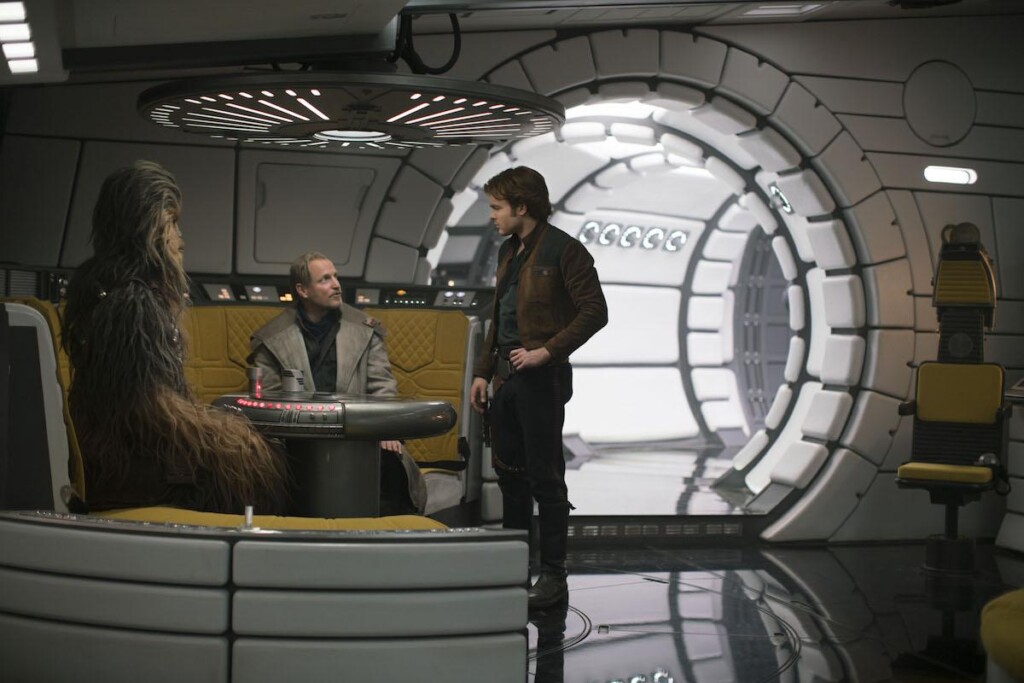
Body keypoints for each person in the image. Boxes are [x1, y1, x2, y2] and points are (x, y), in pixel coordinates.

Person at [62, 160, 289, 514]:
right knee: (258, 463)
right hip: (134, 462)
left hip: (121, 451)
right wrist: (230, 437)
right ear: (148, 226)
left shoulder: (108, 289)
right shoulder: (132, 303)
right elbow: (145, 406)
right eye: (173, 223)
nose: (181, 240)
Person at [469, 166, 608, 610]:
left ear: (521, 207)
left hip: (542, 379)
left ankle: (553, 577)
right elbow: (499, 316)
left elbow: (595, 311)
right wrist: (482, 371)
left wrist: (546, 352)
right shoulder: (509, 250)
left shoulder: (565, 250)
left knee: (546, 480)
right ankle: (514, 571)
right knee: (510, 477)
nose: (492, 215)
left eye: (497, 207)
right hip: (506, 378)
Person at [248, 251, 427, 514]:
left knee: (390, 468)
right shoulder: (273, 339)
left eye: (335, 276)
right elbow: (268, 402)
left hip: (358, 437)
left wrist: (387, 430)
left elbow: (382, 387)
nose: (336, 285)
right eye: (325, 279)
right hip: (298, 442)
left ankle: (381, 530)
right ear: (303, 290)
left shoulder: (365, 330)